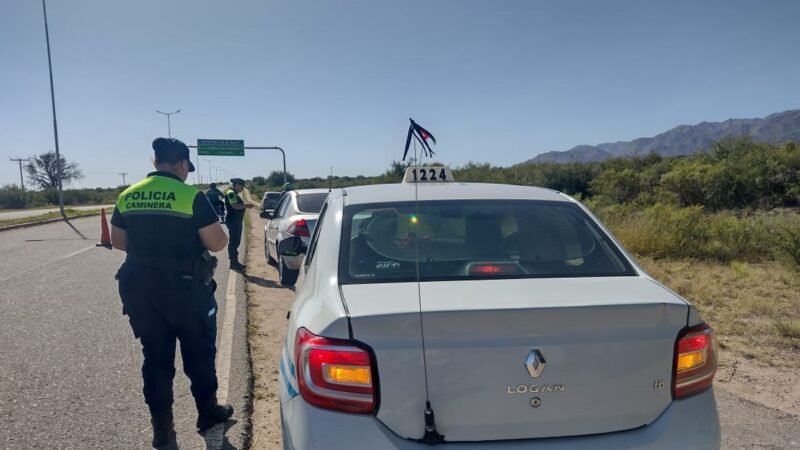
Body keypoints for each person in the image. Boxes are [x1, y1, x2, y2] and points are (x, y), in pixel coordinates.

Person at [110, 137, 234, 447]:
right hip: (186, 290)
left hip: (141, 291)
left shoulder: (128, 196)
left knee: (155, 360)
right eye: (187, 168)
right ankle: (208, 413)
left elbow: (119, 242)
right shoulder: (189, 196)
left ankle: (163, 433)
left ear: (155, 163)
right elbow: (217, 242)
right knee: (199, 356)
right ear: (181, 165)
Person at [224, 178, 256, 271]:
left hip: (236, 220)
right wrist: (247, 205)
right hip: (233, 220)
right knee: (234, 241)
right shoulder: (231, 193)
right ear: (237, 185)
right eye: (242, 187)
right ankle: (233, 263)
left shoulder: (234, 193)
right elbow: (234, 205)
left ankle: (234, 262)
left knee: (236, 241)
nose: (242, 189)